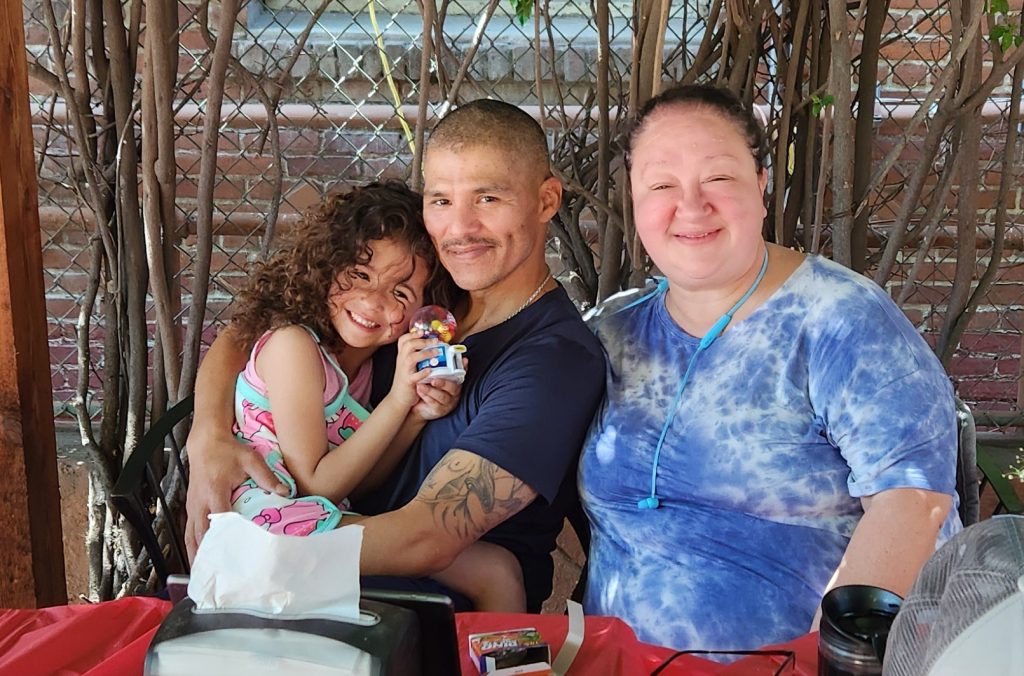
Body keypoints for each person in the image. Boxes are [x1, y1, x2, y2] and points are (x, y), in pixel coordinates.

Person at [579, 84, 960, 653]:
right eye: (661, 184)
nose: (691, 205)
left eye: (719, 177)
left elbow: (913, 502)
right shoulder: (610, 332)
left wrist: (821, 659)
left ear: (761, 185)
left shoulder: (840, 320)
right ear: (635, 200)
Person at [184, 101, 606, 613]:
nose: (460, 228)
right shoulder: (423, 293)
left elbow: (424, 540)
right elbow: (254, 332)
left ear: (546, 200)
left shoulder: (552, 362)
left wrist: (261, 537)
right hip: (321, 594)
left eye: (488, 198)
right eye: (441, 200)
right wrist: (206, 435)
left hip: (418, 618)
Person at [222, 182, 524, 611]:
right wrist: (399, 399)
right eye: (360, 275)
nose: (372, 299)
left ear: (423, 311)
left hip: (310, 519)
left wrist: (416, 416)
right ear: (325, 266)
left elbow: (359, 480)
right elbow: (316, 482)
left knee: (498, 570)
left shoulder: (358, 371)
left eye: (400, 292)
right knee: (492, 570)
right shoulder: (293, 347)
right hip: (272, 528)